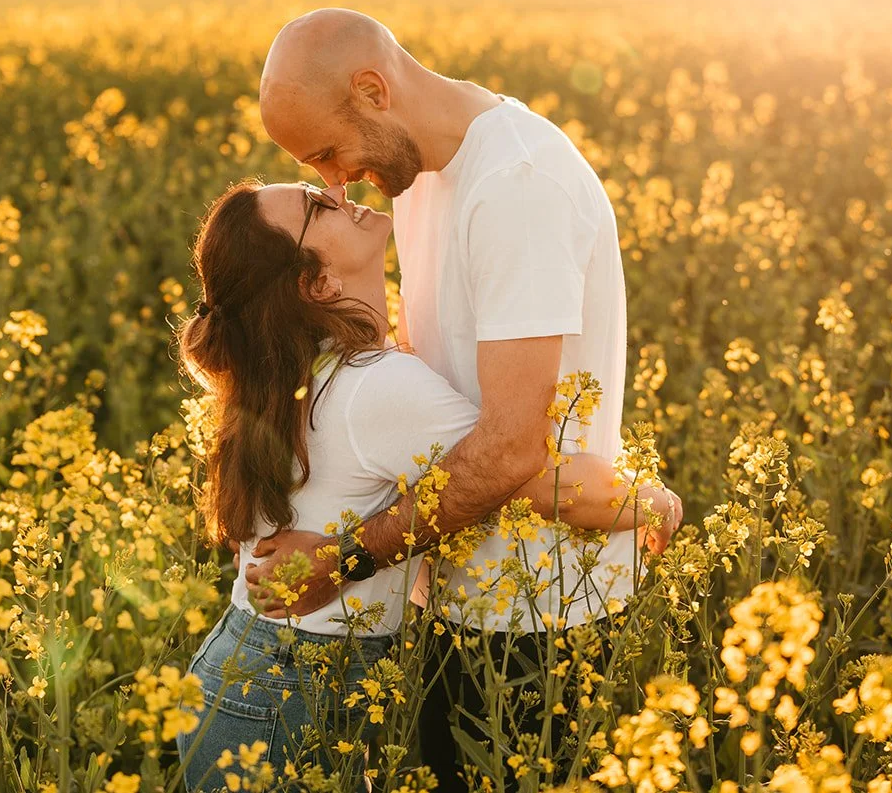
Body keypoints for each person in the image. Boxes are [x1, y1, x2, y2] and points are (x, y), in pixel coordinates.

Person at [247, 8, 683, 786]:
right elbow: (439, 370)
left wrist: (344, 558)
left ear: (374, 90)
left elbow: (515, 446)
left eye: (329, 153)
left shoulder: (517, 185)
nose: (335, 184)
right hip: (454, 593)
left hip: (544, 613)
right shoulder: (419, 175)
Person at [173, 179, 663, 791]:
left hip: (246, 673)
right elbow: (549, 485)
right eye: (314, 205)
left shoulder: (295, 369)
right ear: (318, 284)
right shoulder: (378, 385)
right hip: (285, 699)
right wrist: (658, 499)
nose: (335, 189)